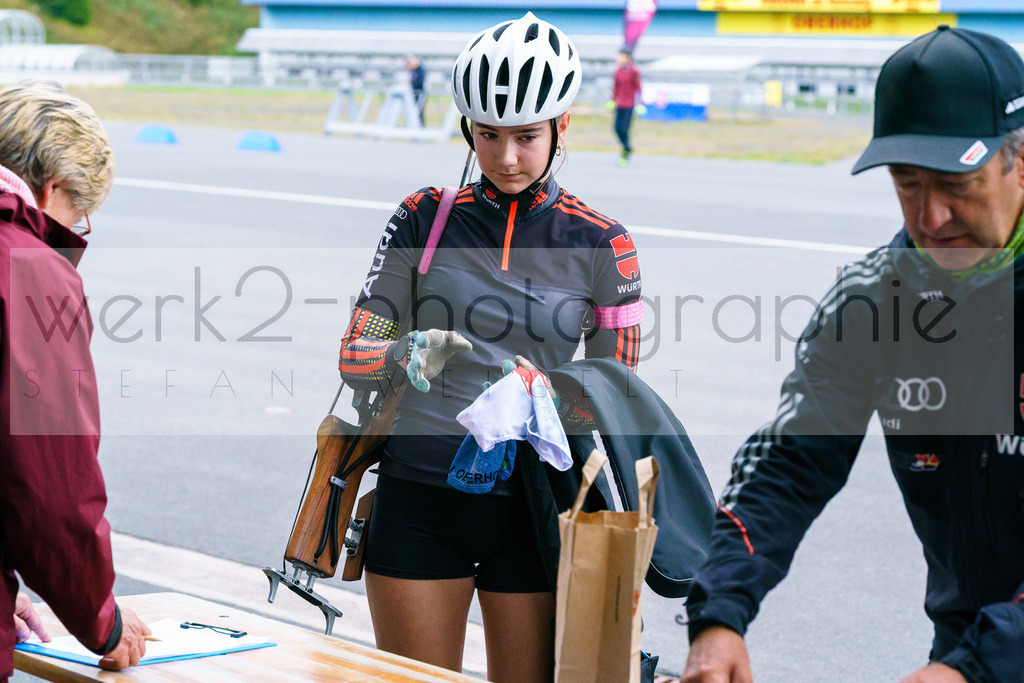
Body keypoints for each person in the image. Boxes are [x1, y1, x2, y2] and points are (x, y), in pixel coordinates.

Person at [681, 26, 1024, 683]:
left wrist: (979, 664)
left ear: (1022, 159)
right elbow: (787, 461)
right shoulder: (875, 300)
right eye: (907, 183)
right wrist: (718, 614)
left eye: (958, 181)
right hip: (966, 652)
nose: (931, 216)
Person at [338, 12, 643, 680]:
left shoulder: (604, 243)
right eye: (489, 135)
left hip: (536, 511)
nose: (506, 157)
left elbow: (615, 397)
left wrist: (551, 395)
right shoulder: (424, 214)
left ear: (562, 126)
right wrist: (404, 351)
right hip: (419, 504)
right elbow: (355, 351)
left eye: (527, 136)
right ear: (466, 129)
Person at [0, 80, 151, 682]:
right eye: (77, 214)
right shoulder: (29, 268)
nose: (76, 230)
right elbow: (49, 483)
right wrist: (100, 618)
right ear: (52, 187)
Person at [609, 47, 643, 167]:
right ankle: (627, 147)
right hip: (620, 104)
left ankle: (626, 151)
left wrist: (640, 103)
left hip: (630, 105)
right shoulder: (617, 71)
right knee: (616, 129)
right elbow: (615, 87)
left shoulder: (634, 71)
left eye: (621, 56)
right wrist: (612, 100)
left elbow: (638, 88)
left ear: (627, 58)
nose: (618, 58)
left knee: (624, 129)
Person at [404, 53, 426, 126]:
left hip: (419, 94)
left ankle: (421, 127)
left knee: (419, 112)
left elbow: (418, 82)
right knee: (414, 111)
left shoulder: (420, 70)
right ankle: (416, 126)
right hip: (414, 93)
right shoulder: (414, 71)